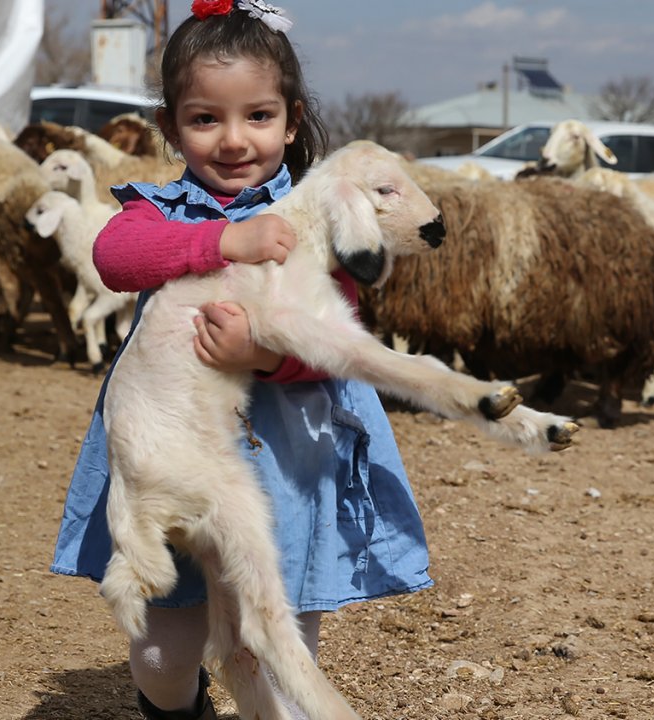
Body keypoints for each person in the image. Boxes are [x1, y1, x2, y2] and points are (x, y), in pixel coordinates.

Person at [49, 3, 432, 719]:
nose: (233, 140)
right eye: (204, 120)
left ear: (291, 121)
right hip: (171, 464)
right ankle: (179, 704)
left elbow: (335, 341)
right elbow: (114, 258)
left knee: (281, 661)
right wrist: (221, 243)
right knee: (163, 656)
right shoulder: (155, 211)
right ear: (170, 127)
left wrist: (263, 356)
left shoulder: (318, 221)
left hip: (286, 468)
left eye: (257, 116)